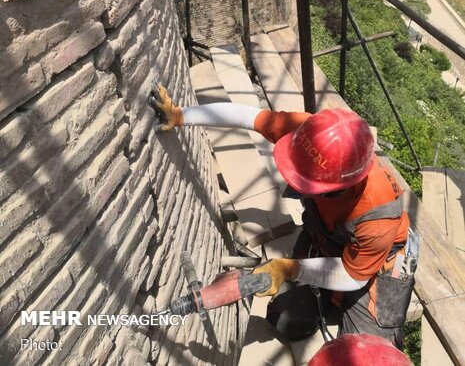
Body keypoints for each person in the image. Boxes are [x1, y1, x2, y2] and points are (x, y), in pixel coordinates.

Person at [152, 86, 417, 349]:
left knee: (368, 351)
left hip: (376, 263)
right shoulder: (313, 138)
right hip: (328, 236)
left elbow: (353, 276)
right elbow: (248, 117)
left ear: (340, 186)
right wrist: (182, 115)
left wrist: (290, 268)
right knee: (286, 321)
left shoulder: (378, 216)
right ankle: (324, 294)